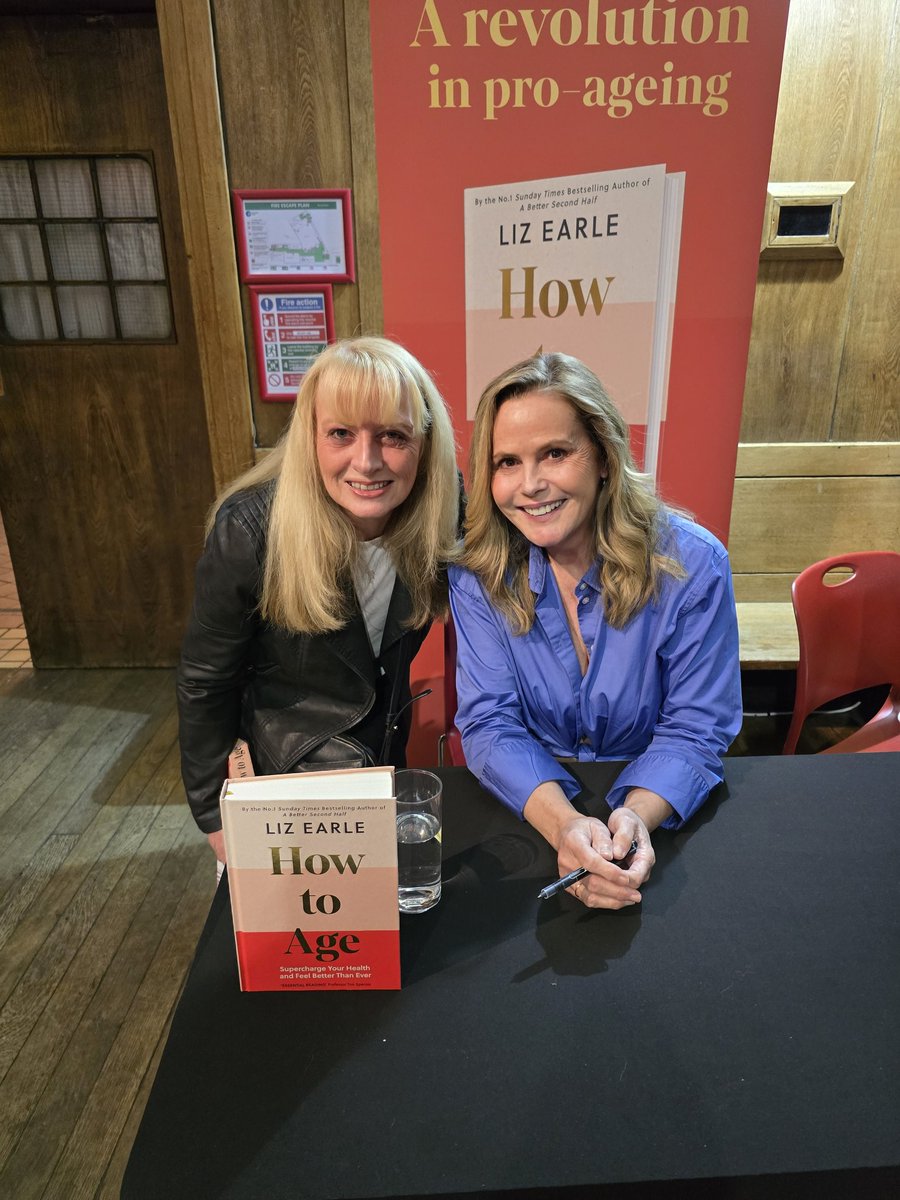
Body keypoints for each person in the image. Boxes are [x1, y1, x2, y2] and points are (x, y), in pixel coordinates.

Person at [449, 351, 741, 910]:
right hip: (534, 817)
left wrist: (635, 816)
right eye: (507, 462)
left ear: (604, 455)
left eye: (555, 453)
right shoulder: (477, 576)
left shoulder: (694, 564)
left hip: (657, 817)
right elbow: (489, 723)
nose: (530, 485)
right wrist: (565, 825)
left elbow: (697, 725)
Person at [178, 336, 460, 870]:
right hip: (283, 792)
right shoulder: (250, 530)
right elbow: (205, 682)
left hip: (384, 782)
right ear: (311, 438)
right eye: (341, 433)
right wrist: (216, 819)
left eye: (393, 436)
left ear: (424, 442)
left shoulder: (445, 513)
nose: (368, 461)